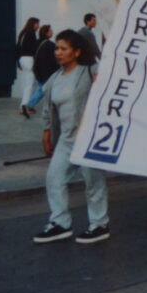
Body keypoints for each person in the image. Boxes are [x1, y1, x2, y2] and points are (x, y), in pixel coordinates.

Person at [33, 29, 110, 245]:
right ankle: (60, 223)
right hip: (66, 141)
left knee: (94, 183)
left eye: (63, 49)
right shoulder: (54, 79)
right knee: (54, 179)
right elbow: (48, 109)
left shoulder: (90, 72)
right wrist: (46, 133)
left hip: (88, 140)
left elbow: (111, 78)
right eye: (57, 48)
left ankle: (99, 224)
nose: (58, 52)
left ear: (76, 52)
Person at [27, 25, 57, 111]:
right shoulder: (50, 45)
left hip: (38, 70)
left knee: (41, 89)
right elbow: (53, 60)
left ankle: (30, 105)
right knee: (43, 90)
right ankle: (30, 105)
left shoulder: (36, 43)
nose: (52, 32)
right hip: (47, 72)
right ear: (46, 33)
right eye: (50, 31)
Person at [16, 16, 40, 118]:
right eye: (37, 24)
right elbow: (34, 49)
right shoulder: (31, 33)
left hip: (22, 59)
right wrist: (36, 62)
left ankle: (26, 104)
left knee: (29, 83)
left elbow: (17, 47)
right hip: (29, 59)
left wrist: (17, 62)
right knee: (30, 84)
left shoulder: (22, 33)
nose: (38, 26)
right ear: (33, 24)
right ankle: (24, 106)